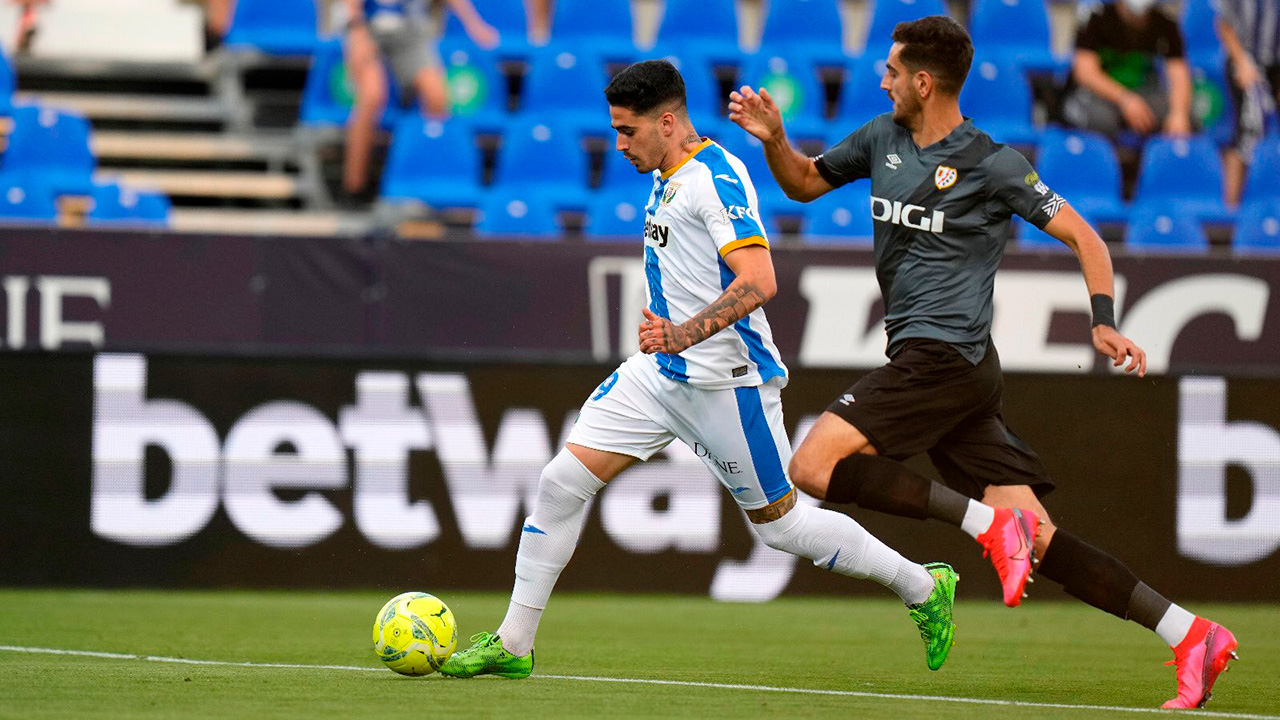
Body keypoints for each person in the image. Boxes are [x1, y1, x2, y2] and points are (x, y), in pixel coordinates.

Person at [728, 15, 1238, 710]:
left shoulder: (994, 164)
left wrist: (1104, 322)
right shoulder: (881, 139)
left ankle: (987, 528)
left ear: (924, 81)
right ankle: (1191, 635)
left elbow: (1087, 238)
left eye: (891, 72)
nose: (881, 80)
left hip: (946, 359)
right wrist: (776, 140)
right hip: (951, 370)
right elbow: (806, 185)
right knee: (1045, 541)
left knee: (810, 467)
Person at [438, 58, 959, 680]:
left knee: (782, 528)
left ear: (667, 121)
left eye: (627, 131)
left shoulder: (715, 179)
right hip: (659, 376)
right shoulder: (666, 171)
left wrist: (681, 332)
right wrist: (668, 331)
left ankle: (923, 588)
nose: (619, 144)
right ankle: (514, 643)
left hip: (726, 384)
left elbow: (760, 280)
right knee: (559, 484)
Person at [338, 0, 498, 200]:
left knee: (437, 97)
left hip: (410, 30)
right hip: (368, 28)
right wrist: (356, 33)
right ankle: (354, 188)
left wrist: (475, 25)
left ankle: (430, 179)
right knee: (372, 96)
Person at [1062, 0, 1194, 140]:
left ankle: (1155, 159)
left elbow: (1178, 72)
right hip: (1099, 95)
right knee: (1102, 121)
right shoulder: (1095, 17)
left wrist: (1178, 113)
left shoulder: (1165, 22)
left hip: (1142, 93)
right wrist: (1125, 100)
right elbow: (1085, 73)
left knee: (1188, 117)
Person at [1217, 0, 1280, 206]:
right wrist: (1242, 63)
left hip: (1275, 64)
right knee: (1246, 131)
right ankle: (1230, 213)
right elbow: (1224, 24)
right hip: (1244, 62)